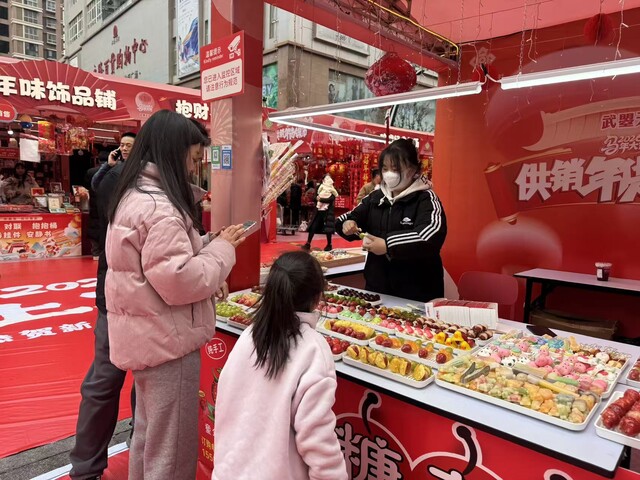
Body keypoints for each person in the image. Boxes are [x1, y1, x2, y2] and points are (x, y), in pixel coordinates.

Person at [105, 110, 244, 480]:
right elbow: (181, 280)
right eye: (194, 158)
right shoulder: (161, 208)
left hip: (147, 338)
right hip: (168, 341)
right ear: (174, 153)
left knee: (149, 436)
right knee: (172, 448)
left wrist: (209, 241)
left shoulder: (136, 195)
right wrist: (224, 250)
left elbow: (162, 260)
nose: (194, 168)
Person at [213, 251, 347, 480]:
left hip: (229, 470)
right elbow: (318, 440)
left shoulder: (250, 334)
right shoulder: (314, 349)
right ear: (317, 298)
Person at [336, 138, 447, 302]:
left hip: (417, 294)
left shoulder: (426, 199)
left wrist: (388, 245)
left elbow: (430, 236)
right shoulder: (376, 197)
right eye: (385, 168)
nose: (389, 174)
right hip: (377, 291)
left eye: (396, 169)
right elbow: (346, 218)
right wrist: (347, 224)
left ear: (413, 169)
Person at [302, 175, 336, 252]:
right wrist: (317, 199)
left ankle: (329, 244)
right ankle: (308, 243)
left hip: (328, 211)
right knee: (313, 226)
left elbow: (331, 199)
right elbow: (314, 197)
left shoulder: (332, 188)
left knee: (328, 228)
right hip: (318, 210)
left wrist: (321, 199)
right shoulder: (319, 187)